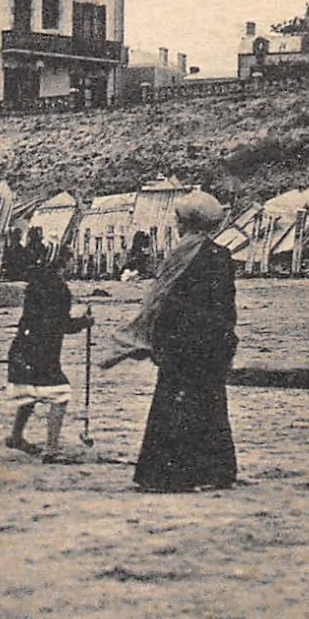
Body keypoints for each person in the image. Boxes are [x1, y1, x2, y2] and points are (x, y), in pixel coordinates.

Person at [102, 191, 239, 493]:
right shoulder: (220, 256)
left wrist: (155, 342)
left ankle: (167, 476)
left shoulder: (179, 257)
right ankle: (217, 472)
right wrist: (226, 342)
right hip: (210, 344)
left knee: (172, 406)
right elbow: (226, 308)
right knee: (210, 404)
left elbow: (162, 305)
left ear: (185, 222)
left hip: (181, 346)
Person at [4, 245, 92, 462]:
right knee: (60, 393)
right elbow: (61, 324)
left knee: (29, 392)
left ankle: (16, 436)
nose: (73, 264)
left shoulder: (37, 283)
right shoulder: (59, 289)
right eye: (71, 260)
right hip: (43, 350)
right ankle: (51, 449)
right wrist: (85, 322)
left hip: (23, 345)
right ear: (64, 262)